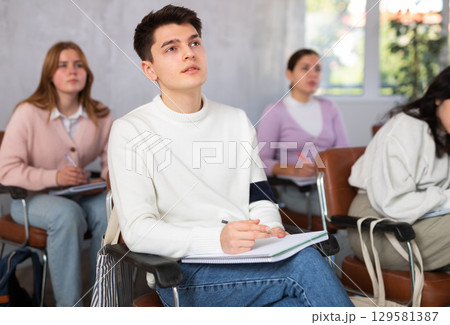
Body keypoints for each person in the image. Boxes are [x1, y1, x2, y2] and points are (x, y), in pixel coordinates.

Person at [108, 5, 353, 307]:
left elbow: (259, 194)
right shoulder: (130, 130)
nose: (189, 53)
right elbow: (138, 231)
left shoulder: (236, 120)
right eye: (172, 48)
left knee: (296, 305)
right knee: (305, 265)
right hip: (183, 274)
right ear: (150, 69)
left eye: (194, 42)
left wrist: (271, 229)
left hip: (253, 256)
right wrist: (217, 239)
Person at [0, 41, 113, 306]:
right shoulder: (27, 113)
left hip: (80, 195)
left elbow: (112, 162)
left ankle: (105, 302)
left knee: (108, 210)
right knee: (67, 214)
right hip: (31, 200)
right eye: (63, 65)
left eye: (78, 64)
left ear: (87, 73)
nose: (72, 71)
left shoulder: (100, 115)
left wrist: (103, 181)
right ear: (50, 74)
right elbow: (6, 171)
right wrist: (55, 177)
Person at [347, 66, 450, 272]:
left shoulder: (444, 134)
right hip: (379, 227)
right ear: (439, 97)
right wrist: (444, 197)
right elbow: (394, 204)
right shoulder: (405, 128)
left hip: (423, 219)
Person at [257, 49, 349, 217]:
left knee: (362, 206)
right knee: (345, 213)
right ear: (289, 74)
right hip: (296, 191)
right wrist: (292, 170)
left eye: (318, 69)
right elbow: (260, 161)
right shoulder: (275, 111)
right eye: (305, 68)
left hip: (331, 186)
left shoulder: (330, 108)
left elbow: (344, 153)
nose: (313, 74)